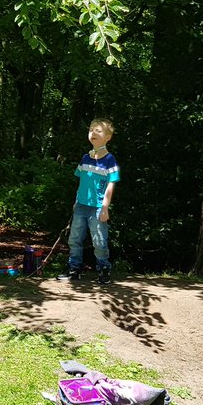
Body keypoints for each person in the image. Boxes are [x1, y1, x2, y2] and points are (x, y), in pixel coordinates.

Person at [57, 118, 119, 285]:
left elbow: (111, 185)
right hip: (81, 206)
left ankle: (104, 269)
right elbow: (81, 181)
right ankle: (74, 268)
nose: (93, 133)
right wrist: (76, 201)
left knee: (99, 241)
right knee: (74, 238)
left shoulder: (109, 160)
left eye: (98, 130)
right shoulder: (85, 158)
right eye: (91, 129)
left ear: (108, 137)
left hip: (97, 208)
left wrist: (105, 207)